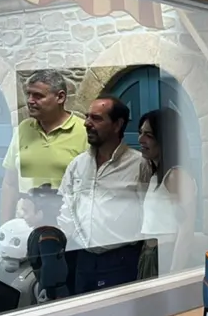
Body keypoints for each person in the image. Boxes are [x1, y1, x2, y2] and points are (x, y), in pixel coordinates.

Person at [57, 95, 151, 294]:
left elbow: (150, 213)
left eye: (96, 118)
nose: (87, 123)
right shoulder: (77, 164)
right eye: (87, 117)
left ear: (117, 125)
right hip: (81, 259)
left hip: (122, 261)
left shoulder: (139, 165)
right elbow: (64, 207)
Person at [0, 70, 87, 222]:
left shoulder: (84, 131)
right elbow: (10, 184)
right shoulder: (23, 129)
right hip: (25, 224)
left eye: (38, 96)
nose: (30, 100)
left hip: (67, 226)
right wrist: (4, 226)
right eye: (29, 94)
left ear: (60, 97)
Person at [136, 108, 197, 279]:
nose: (141, 139)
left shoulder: (176, 175)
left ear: (165, 138)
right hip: (150, 253)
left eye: (148, 135)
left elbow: (186, 228)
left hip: (164, 254)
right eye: (140, 133)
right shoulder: (157, 174)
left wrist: (175, 273)